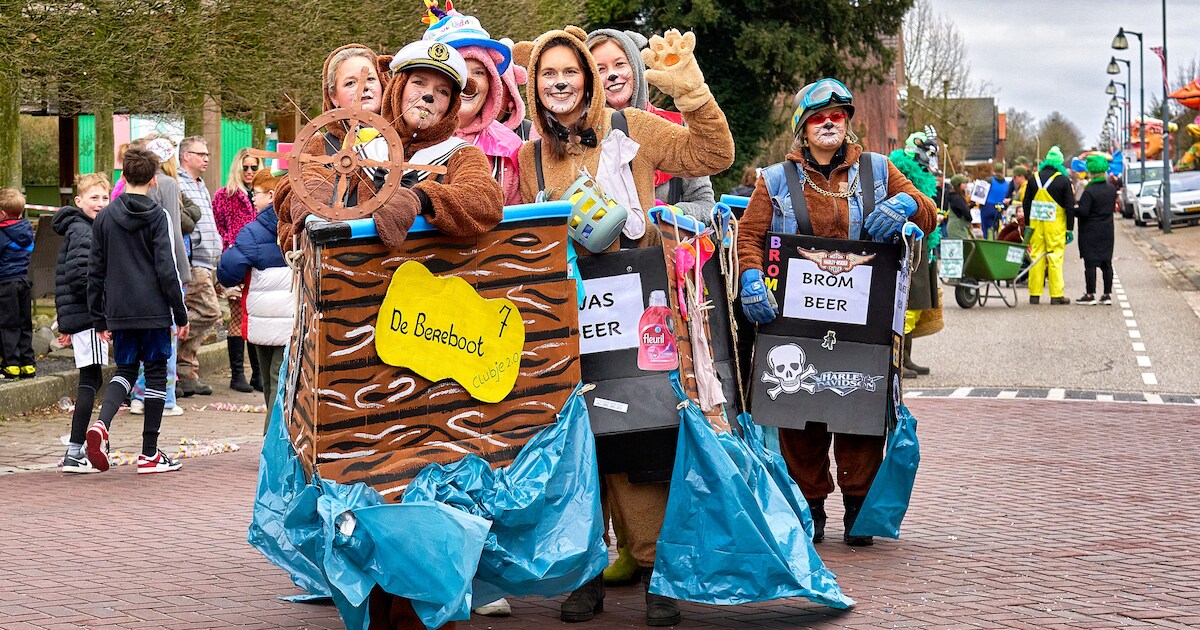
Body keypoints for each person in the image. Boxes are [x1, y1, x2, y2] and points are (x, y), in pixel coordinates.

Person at [514, 26, 734, 626]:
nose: (561, 83)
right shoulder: (530, 156)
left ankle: (658, 569)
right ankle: (586, 574)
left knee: (643, 437)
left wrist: (690, 88)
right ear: (536, 86)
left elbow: (713, 155)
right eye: (548, 75)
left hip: (640, 306)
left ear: (587, 78)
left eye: (571, 72)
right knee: (582, 444)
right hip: (571, 317)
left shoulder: (631, 129)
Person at [736, 78, 936, 547]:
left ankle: (858, 506)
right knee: (797, 411)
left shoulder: (880, 170)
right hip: (795, 318)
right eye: (818, 117)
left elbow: (927, 212)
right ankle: (810, 506)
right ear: (802, 129)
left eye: (837, 115)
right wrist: (749, 276)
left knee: (860, 412)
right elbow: (749, 236)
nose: (829, 123)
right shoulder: (775, 180)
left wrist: (908, 203)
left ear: (846, 123)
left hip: (864, 318)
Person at [86, 147, 190, 474]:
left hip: (119, 309)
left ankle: (102, 424)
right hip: (155, 310)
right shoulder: (159, 216)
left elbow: (95, 270)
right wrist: (180, 313)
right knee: (156, 374)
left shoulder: (104, 217)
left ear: (123, 176)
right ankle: (149, 453)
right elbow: (166, 269)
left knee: (125, 371)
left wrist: (98, 316)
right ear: (154, 180)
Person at [587, 28, 717, 225]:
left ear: (636, 68)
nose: (612, 75)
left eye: (620, 64)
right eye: (600, 69)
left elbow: (706, 205)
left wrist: (671, 214)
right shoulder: (581, 139)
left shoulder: (675, 129)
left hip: (662, 253)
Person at [424, 7, 523, 206]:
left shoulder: (510, 148)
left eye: (478, 72)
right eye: (458, 70)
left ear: (492, 82)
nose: (469, 83)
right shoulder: (410, 139)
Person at [217, 169, 292, 428]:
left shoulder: (252, 231)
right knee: (281, 381)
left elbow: (228, 271)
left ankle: (271, 445)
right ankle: (278, 440)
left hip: (261, 318)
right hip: (291, 320)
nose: (252, 199)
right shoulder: (300, 226)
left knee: (271, 384)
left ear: (271, 196)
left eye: (255, 194)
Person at [54, 174, 112, 472]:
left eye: (104, 198)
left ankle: (77, 447)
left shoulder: (84, 228)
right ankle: (76, 450)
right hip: (88, 316)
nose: (100, 204)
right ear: (79, 201)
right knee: (90, 380)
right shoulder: (83, 231)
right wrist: (101, 313)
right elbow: (81, 277)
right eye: (93, 198)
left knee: (93, 379)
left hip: (81, 315)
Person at [177, 136, 225, 395]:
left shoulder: (201, 184)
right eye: (200, 154)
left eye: (207, 154)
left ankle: (186, 372)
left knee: (196, 311)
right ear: (186, 156)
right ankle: (171, 339)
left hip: (207, 261)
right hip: (193, 261)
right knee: (208, 311)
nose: (206, 158)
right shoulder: (178, 184)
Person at [213, 147, 264, 393]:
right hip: (236, 262)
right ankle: (237, 375)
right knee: (236, 317)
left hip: (260, 265)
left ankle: (258, 375)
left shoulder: (265, 195)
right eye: (245, 167)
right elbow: (218, 229)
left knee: (255, 316)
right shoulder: (225, 196)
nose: (250, 172)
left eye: (254, 167)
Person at [1021, 146, 1076, 305]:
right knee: (1055, 257)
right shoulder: (1063, 180)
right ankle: (1056, 295)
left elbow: (1026, 204)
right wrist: (1069, 229)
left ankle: (1034, 294)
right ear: (1059, 162)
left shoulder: (1033, 178)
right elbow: (1069, 207)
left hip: (1037, 224)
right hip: (1055, 225)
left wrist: (1028, 225)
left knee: (1037, 256)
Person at [0, 188, 35, 380]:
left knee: (8, 324)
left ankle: (11, 365)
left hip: (6, 283)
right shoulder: (27, 229)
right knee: (24, 323)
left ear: (3, 214)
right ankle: (28, 364)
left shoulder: (2, 233)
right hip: (23, 281)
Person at [1073, 154, 1117, 305]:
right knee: (1106, 263)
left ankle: (1090, 294)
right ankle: (1107, 294)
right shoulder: (1111, 189)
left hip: (1090, 231)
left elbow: (1084, 212)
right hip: (1107, 230)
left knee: (1090, 263)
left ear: (1091, 172)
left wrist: (1072, 211)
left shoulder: (1089, 192)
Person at [980, 163, 1007, 238]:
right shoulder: (1006, 183)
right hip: (999, 209)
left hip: (988, 207)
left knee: (987, 230)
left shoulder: (989, 180)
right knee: (997, 229)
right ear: (1002, 171)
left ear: (993, 171)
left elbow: (980, 192)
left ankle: (987, 244)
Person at [943, 174, 973, 240]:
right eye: (964, 183)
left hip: (955, 226)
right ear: (958, 184)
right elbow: (965, 211)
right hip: (957, 227)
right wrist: (970, 219)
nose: (966, 185)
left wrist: (972, 205)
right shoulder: (957, 198)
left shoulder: (954, 196)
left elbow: (960, 208)